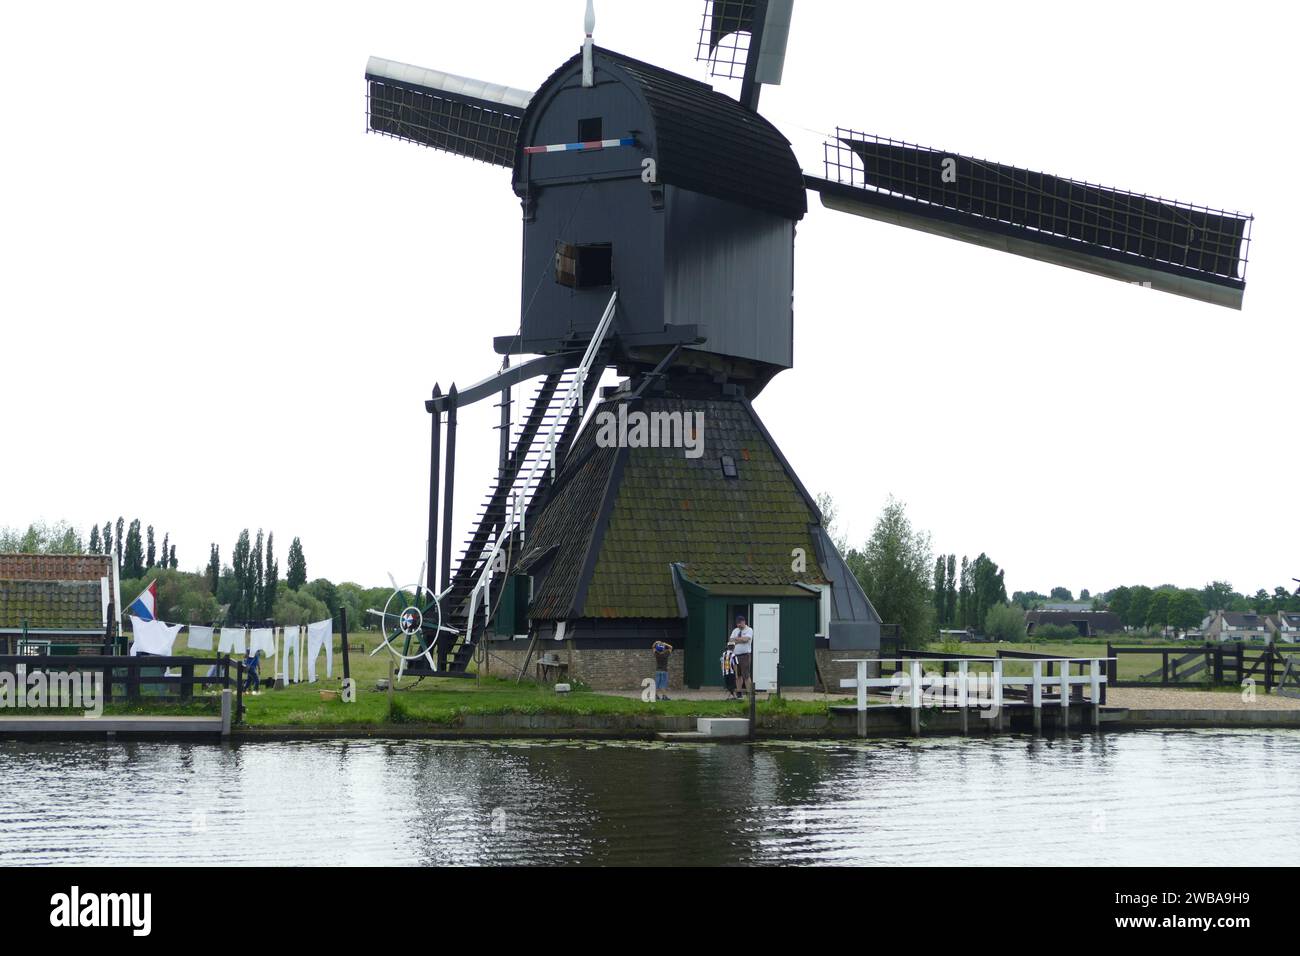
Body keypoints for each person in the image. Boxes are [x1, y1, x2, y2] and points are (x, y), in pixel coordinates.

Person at [730, 614, 754, 695]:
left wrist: (736, 639)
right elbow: (731, 641)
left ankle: (750, 694)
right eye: (737, 623)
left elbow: (746, 640)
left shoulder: (749, 630)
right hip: (735, 656)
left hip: (745, 656)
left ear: (744, 622)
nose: (738, 625)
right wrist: (740, 640)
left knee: (746, 675)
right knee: (738, 675)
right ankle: (739, 693)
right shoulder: (735, 630)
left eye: (740, 623)